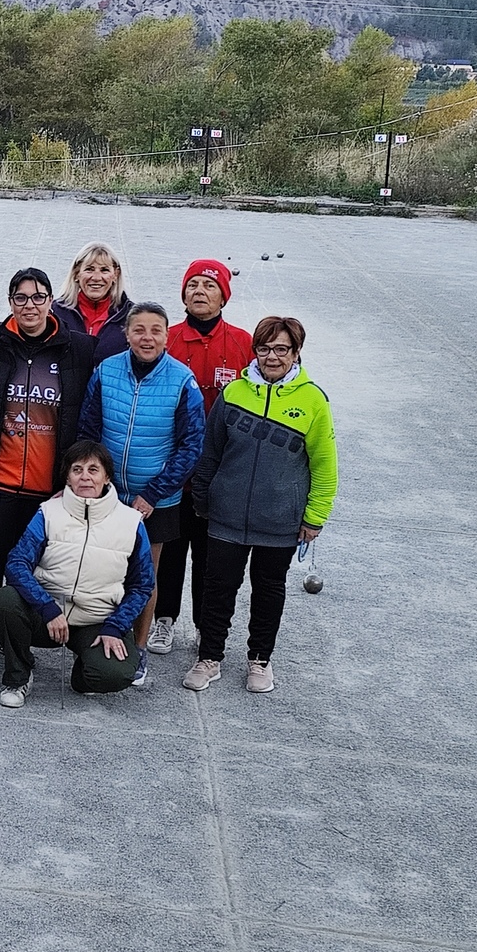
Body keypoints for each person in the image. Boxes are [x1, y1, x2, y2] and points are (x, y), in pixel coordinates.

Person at [185, 317, 337, 694]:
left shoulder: (313, 400)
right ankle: (209, 658)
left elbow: (324, 465)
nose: (272, 357)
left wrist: (314, 517)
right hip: (226, 515)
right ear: (255, 351)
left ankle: (260, 659)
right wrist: (203, 497)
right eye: (264, 349)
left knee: (269, 591)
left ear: (296, 353)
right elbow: (210, 452)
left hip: (280, 520)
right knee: (218, 588)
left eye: (281, 349)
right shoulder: (234, 393)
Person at [0, 268, 94, 675]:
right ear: (10, 303)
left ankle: (16, 640)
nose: (30, 306)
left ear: (51, 301)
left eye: (38, 297)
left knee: (32, 569)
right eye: (20, 298)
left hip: (47, 486)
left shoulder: (78, 348)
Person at [79, 301, 205, 683]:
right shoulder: (106, 371)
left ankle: (139, 646)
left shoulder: (182, 381)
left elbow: (191, 446)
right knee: (102, 568)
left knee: (143, 576)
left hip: (156, 501)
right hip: (108, 494)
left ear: (167, 336)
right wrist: (98, 483)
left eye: (155, 330)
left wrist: (153, 493)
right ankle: (98, 637)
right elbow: (88, 429)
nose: (147, 338)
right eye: (139, 330)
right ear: (127, 334)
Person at [0, 440, 153, 707]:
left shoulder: (130, 522)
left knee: (116, 673)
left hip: (97, 620)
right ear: (67, 477)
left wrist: (116, 626)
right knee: (4, 600)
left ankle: (84, 675)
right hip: (47, 616)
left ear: (107, 477)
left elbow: (142, 585)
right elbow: (17, 563)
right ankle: (18, 676)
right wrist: (47, 608)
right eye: (77, 470)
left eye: (93, 469)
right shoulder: (48, 512)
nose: (85, 476)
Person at [151, 259, 251, 654]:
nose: (199, 292)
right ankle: (163, 619)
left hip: (221, 471)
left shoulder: (243, 343)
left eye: (209, 286)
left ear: (224, 296)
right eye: (192, 284)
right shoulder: (169, 339)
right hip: (174, 469)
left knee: (212, 556)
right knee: (170, 551)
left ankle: (203, 623)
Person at [53, 241, 132, 368]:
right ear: (76, 273)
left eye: (104, 270)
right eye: (89, 269)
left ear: (115, 275)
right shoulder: (55, 313)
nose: (96, 277)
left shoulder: (131, 316)